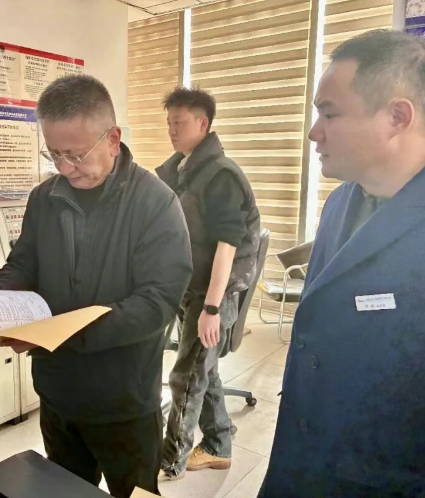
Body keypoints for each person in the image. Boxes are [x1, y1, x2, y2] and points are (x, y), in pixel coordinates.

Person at [259, 29, 425, 497]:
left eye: (330, 114)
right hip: (303, 463)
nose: (314, 132)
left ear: (397, 117)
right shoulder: (340, 201)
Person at [0, 75, 192, 498]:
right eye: (54, 154)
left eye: (75, 155)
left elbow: (156, 302)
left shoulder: (156, 203)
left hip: (124, 402)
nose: (64, 167)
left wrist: (60, 332)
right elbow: (23, 265)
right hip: (57, 394)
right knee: (64, 491)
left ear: (112, 139)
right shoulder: (44, 198)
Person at [155, 88, 260, 480]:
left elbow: (226, 247)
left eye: (179, 123)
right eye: (169, 122)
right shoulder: (182, 170)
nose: (171, 130)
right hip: (190, 286)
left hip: (214, 291)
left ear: (203, 124)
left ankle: (171, 459)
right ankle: (218, 444)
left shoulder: (221, 175)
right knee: (203, 368)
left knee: (186, 375)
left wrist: (212, 308)